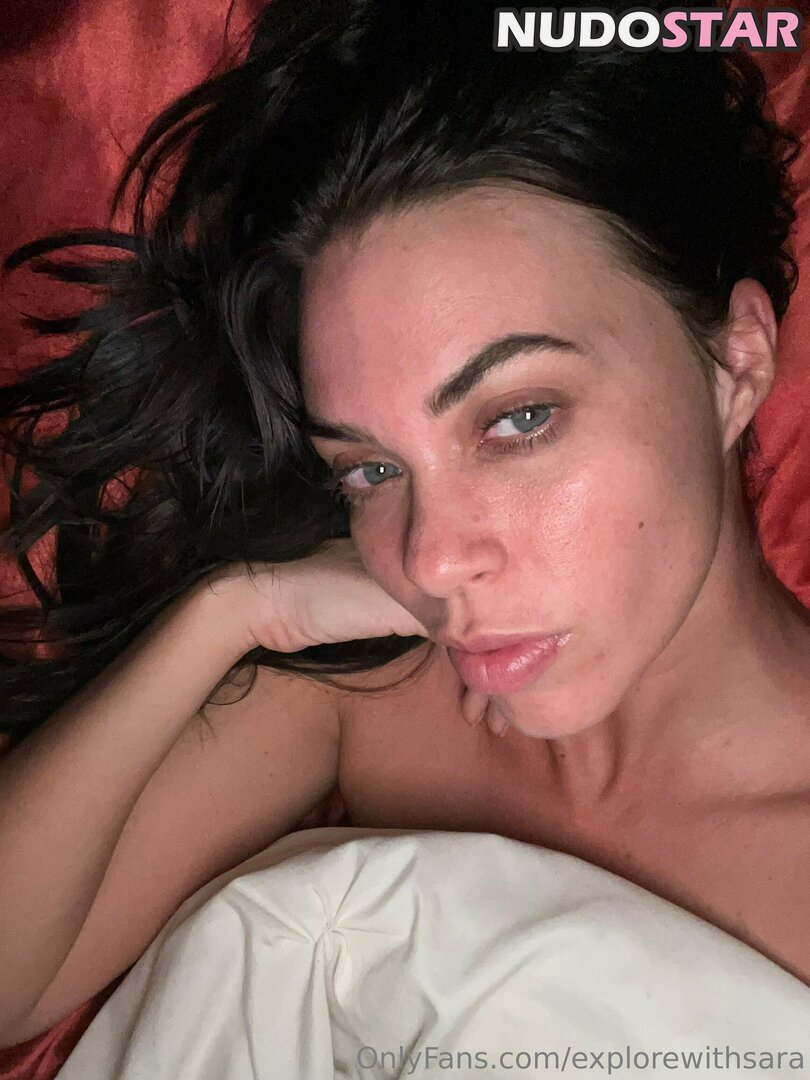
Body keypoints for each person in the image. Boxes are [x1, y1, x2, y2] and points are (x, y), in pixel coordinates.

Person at [1, 0, 809, 1050]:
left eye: (518, 419)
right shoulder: (373, 698)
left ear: (737, 361)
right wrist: (232, 611)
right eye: (372, 469)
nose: (429, 557)